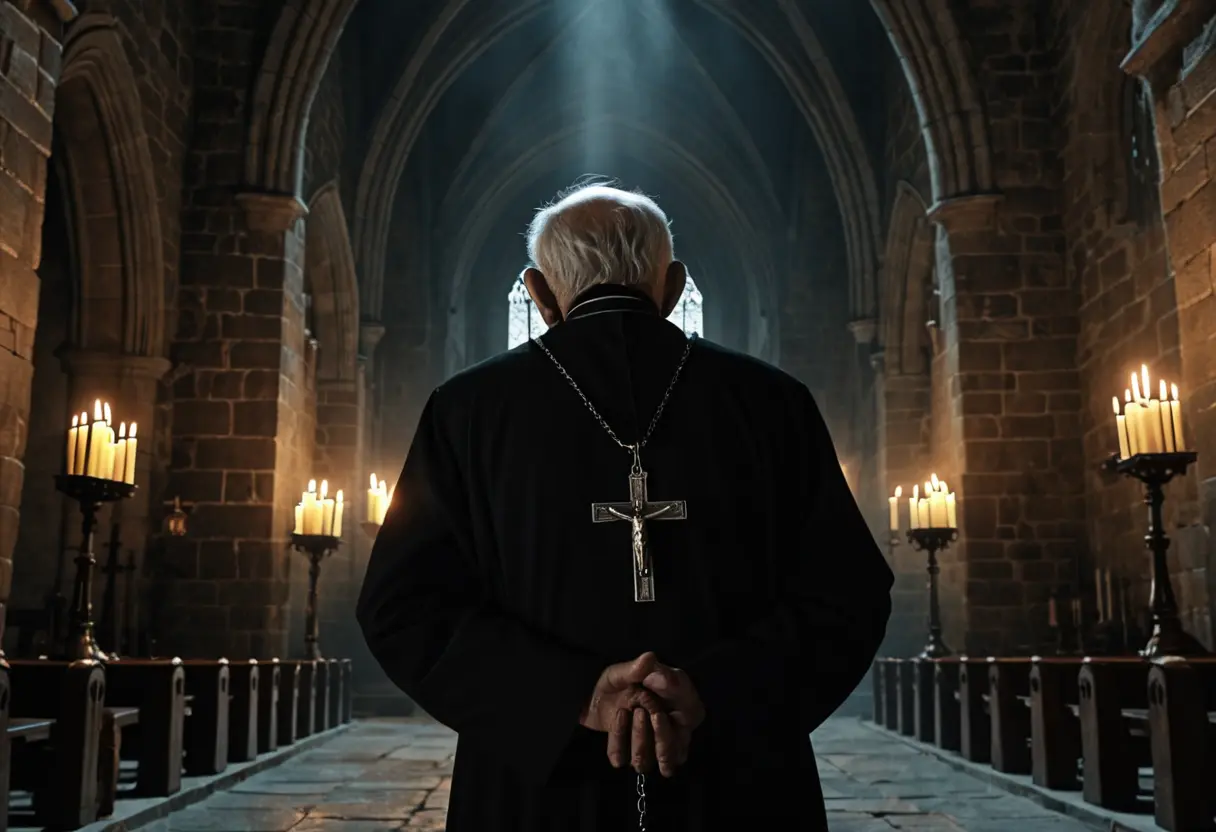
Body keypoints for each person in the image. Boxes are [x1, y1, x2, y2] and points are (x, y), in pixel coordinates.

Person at [356, 182, 893, 831]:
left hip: (533, 793)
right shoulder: (773, 402)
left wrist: (571, 696)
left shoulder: (467, 410)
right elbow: (846, 596)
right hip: (739, 786)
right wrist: (710, 692)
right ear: (671, 287)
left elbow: (403, 607)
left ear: (540, 292)